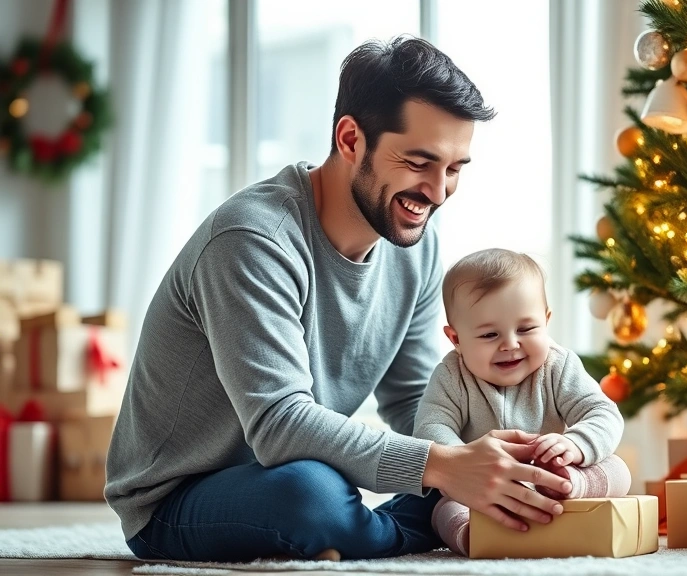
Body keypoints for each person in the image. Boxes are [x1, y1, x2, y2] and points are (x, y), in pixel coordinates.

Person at [104, 35, 572, 563]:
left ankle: (393, 526)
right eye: (419, 162)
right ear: (350, 139)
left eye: (455, 168)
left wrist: (514, 452)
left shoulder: (412, 243)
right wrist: (443, 468)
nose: (439, 192)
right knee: (313, 495)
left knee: (433, 471)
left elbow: (416, 397)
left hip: (290, 467)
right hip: (178, 499)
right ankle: (411, 527)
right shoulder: (253, 241)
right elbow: (279, 424)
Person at [414, 248, 632, 556]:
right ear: (457, 339)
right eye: (490, 335)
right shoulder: (451, 376)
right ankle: (473, 537)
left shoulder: (559, 365)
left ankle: (569, 485)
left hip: (552, 473)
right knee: (443, 510)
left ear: (546, 321)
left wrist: (575, 445)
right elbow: (429, 427)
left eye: (526, 329)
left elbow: (602, 411)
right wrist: (463, 463)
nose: (511, 344)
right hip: (481, 490)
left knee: (618, 469)